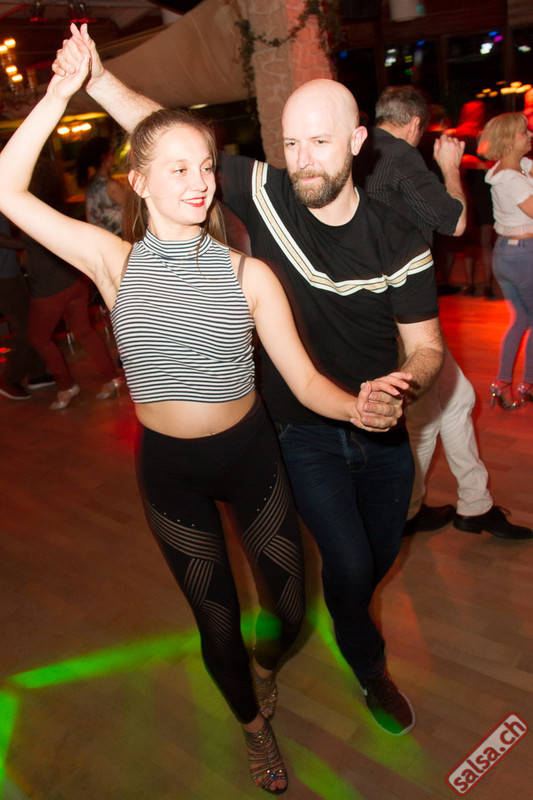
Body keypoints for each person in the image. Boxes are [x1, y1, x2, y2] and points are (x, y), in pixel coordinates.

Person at [0, 46, 411, 795]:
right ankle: (254, 727)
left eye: (205, 167)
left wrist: (356, 406)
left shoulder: (248, 275)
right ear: (140, 181)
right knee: (215, 617)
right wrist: (60, 93)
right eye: (178, 168)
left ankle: (265, 668)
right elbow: (7, 188)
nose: (198, 182)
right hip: (172, 474)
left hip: (252, 457)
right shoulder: (111, 261)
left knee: (288, 608)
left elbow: (305, 382)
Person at [357, 85, 532, 541]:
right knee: (429, 413)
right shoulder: (401, 156)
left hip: (375, 308)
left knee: (453, 403)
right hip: (402, 315)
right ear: (416, 123)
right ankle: (408, 511)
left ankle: (467, 505)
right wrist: (449, 167)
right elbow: (454, 221)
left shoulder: (359, 152)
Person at [24, 156, 122, 410]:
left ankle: (66, 386)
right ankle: (110, 378)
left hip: (50, 285)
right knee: (85, 331)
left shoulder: (29, 207)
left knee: (38, 338)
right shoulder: (57, 203)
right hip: (74, 279)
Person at [478, 112, 533, 409]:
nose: (530, 135)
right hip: (524, 255)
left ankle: (502, 383)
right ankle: (528, 384)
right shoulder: (512, 179)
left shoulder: (513, 168)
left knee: (521, 319)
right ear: (509, 142)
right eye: (524, 132)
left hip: (507, 253)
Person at [0, 211, 52, 400]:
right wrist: (28, 244)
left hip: (11, 272)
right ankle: (8, 378)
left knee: (32, 322)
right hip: (3, 278)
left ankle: (37, 373)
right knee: (25, 328)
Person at [76, 135, 126, 235]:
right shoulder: (111, 186)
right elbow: (133, 212)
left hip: (100, 238)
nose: (114, 157)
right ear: (105, 158)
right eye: (112, 153)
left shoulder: (91, 185)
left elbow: (89, 218)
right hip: (118, 238)